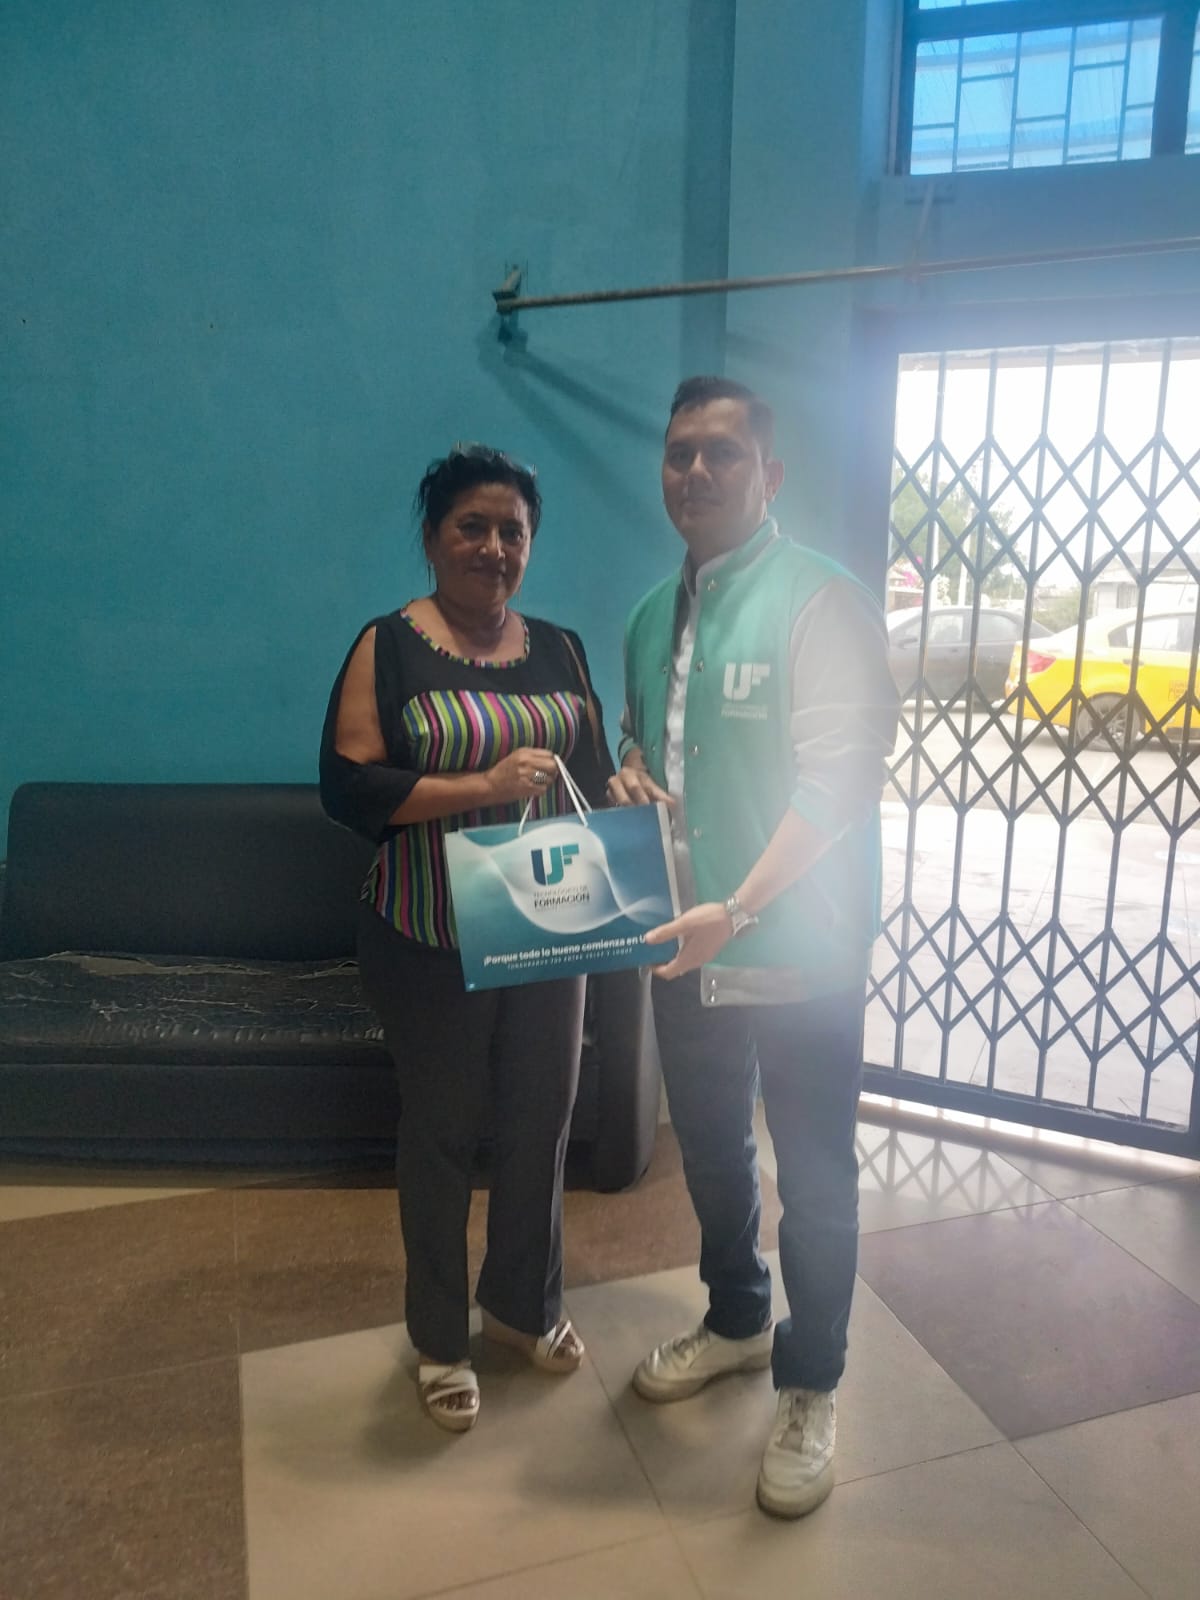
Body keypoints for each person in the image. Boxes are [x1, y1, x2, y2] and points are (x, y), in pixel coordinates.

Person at [609, 377, 898, 1517]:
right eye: (679, 452)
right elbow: (646, 743)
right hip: (688, 953)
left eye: (721, 454)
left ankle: (811, 1380)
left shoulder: (822, 603)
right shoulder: (649, 615)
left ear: (768, 475)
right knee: (714, 1151)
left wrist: (737, 906)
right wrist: (634, 774)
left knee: (813, 1176)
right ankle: (735, 1314)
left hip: (803, 958)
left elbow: (838, 785)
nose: (695, 472)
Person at [320, 443, 613, 1433]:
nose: (493, 548)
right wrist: (480, 787)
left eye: (512, 532)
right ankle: (441, 1339)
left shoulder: (561, 648)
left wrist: (630, 786)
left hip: (545, 920)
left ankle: (525, 1305)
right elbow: (350, 785)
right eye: (472, 527)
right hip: (428, 928)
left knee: (542, 1119)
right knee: (443, 1132)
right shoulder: (389, 645)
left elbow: (592, 774)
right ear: (433, 536)